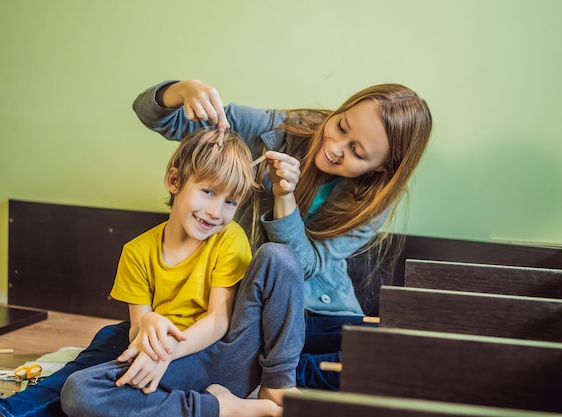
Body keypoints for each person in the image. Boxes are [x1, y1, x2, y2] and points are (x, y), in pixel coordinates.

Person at [131, 79, 433, 390]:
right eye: (341, 126)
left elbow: (302, 267)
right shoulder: (272, 130)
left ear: (381, 168)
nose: (335, 148)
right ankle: (271, 375)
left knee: (397, 358)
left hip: (318, 311)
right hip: (248, 306)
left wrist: (284, 199)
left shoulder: (374, 201)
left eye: (357, 152)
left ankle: (265, 374)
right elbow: (154, 115)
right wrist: (180, 92)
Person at [0, 129, 304, 417]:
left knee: (279, 256)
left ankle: (276, 388)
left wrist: (166, 352)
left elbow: (219, 321)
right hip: (177, 365)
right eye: (208, 191)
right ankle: (220, 408)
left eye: (230, 202)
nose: (216, 212)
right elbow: (135, 331)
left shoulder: (229, 237)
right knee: (80, 391)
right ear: (174, 181)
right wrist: (148, 324)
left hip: (226, 356)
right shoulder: (136, 252)